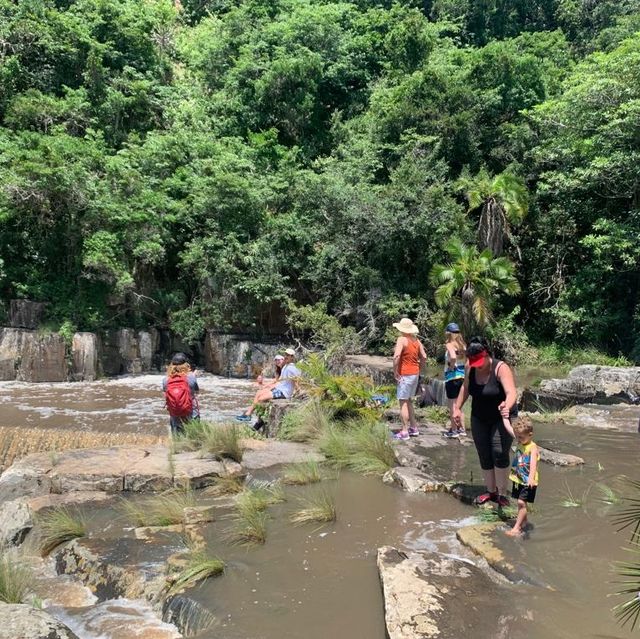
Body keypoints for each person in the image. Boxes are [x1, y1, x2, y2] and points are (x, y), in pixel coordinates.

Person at [452, 336, 517, 507]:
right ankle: (490, 491)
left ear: (487, 353)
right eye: (474, 362)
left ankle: (502, 493)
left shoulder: (500, 368)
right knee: (484, 453)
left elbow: (511, 393)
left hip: (501, 416)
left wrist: (506, 406)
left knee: (499, 451)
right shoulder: (470, 367)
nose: (477, 365)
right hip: (479, 416)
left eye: (480, 361)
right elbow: (466, 387)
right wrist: (457, 408)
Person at [236, 348, 301, 422]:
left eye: (288, 355)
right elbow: (278, 378)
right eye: (285, 354)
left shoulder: (292, 368)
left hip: (283, 392)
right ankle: (248, 413)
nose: (286, 356)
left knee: (261, 398)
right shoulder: (286, 366)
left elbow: (296, 381)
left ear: (292, 357)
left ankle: (251, 416)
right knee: (259, 393)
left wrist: (299, 393)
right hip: (279, 389)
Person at [392, 317, 427, 441]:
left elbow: (396, 357)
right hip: (414, 374)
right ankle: (414, 428)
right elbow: (424, 356)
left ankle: (404, 431)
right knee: (409, 401)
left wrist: (395, 371)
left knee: (402, 402)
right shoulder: (416, 340)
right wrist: (420, 370)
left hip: (405, 374)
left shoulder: (402, 339)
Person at [506, 417, 539, 537]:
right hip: (518, 479)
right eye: (517, 437)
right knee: (520, 503)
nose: (518, 439)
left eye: (521, 437)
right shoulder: (521, 442)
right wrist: (505, 418)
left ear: (530, 435)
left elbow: (534, 464)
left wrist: (531, 478)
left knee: (521, 502)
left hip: (528, 481)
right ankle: (524, 522)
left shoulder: (532, 447)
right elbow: (511, 430)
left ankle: (517, 527)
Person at [162, 352, 199, 435]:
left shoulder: (166, 380)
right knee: (194, 437)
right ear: (186, 365)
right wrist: (194, 375)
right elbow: (196, 391)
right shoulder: (191, 377)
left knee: (177, 437)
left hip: (175, 413)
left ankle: (176, 447)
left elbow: (165, 393)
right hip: (191, 411)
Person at [443, 323, 466, 438]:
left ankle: (454, 430)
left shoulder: (449, 344)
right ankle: (462, 429)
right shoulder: (462, 345)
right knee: (459, 405)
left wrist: (451, 366)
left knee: (452, 405)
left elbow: (452, 357)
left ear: (448, 333)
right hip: (462, 377)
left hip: (452, 378)